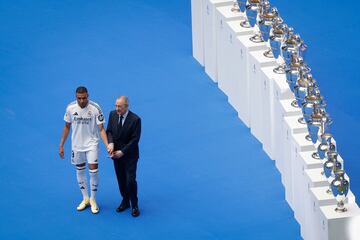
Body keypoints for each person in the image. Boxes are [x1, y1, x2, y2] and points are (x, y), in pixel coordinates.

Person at [59, 86, 111, 214]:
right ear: (76, 97)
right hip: (77, 145)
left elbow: (101, 129)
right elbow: (66, 127)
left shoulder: (95, 108)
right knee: (80, 170)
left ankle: (93, 199)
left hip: (92, 144)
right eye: (79, 98)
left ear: (88, 95)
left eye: (84, 98)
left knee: (93, 171)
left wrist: (107, 145)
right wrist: (61, 145)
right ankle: (85, 198)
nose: (81, 101)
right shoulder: (70, 108)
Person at [106, 96, 142, 217]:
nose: (117, 108)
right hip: (116, 156)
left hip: (130, 156)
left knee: (130, 180)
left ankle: (134, 204)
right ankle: (125, 201)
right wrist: (110, 143)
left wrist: (122, 152)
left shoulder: (135, 119)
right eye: (116, 105)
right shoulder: (112, 114)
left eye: (119, 106)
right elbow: (109, 131)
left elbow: (135, 140)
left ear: (126, 106)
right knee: (121, 180)